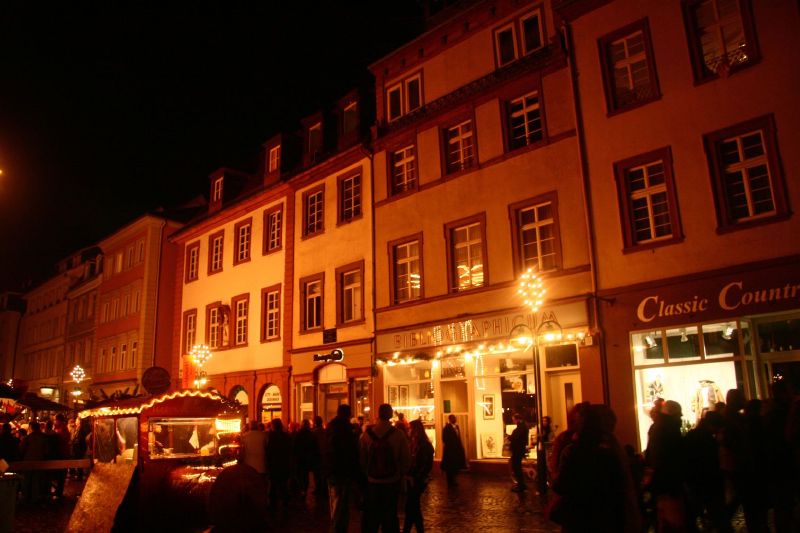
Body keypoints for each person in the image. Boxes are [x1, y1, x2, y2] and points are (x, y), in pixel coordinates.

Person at [360, 403, 410, 533]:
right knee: (390, 515)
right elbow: (406, 459)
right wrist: (401, 474)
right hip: (391, 481)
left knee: (372, 515)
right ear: (390, 415)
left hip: (372, 481)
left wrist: (366, 473)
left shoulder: (367, 435)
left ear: (378, 415)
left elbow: (362, 459)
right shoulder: (398, 434)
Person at [325, 404, 362, 533]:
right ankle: (338, 528)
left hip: (332, 470)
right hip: (343, 470)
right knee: (341, 503)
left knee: (337, 501)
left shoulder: (331, 426)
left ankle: (338, 526)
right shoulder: (346, 429)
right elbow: (351, 452)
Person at [403, 419, 433, 533]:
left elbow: (424, 465)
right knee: (412, 507)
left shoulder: (423, 445)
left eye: (410, 429)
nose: (409, 431)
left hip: (417, 481)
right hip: (413, 480)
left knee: (412, 506)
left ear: (416, 430)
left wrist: (415, 477)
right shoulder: (415, 443)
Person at [266, 418, 292, 508]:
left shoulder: (271, 436)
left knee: (273, 485)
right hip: (284, 463)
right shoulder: (286, 436)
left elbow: (268, 450)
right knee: (283, 485)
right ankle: (285, 502)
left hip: (274, 463)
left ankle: (273, 504)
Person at [239, 420, 269, 486]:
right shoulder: (263, 436)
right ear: (257, 426)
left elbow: (242, 450)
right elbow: (267, 448)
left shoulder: (245, 436)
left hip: (249, 464)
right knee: (261, 484)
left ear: (250, 426)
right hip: (261, 465)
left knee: (251, 485)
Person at [440, 414, 466, 487]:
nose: (454, 419)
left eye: (455, 418)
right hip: (450, 451)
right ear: (450, 419)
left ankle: (454, 480)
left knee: (455, 467)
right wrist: (451, 446)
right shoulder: (446, 428)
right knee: (450, 468)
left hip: (456, 450)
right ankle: (450, 482)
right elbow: (444, 439)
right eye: (453, 418)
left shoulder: (457, 427)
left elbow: (458, 438)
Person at [509, 413, 529, 492]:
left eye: (514, 420)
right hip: (519, 450)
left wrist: (510, 437)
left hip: (518, 450)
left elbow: (516, 438)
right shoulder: (522, 427)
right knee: (517, 467)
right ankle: (521, 484)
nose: (513, 421)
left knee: (517, 467)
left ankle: (521, 485)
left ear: (517, 419)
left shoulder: (521, 428)